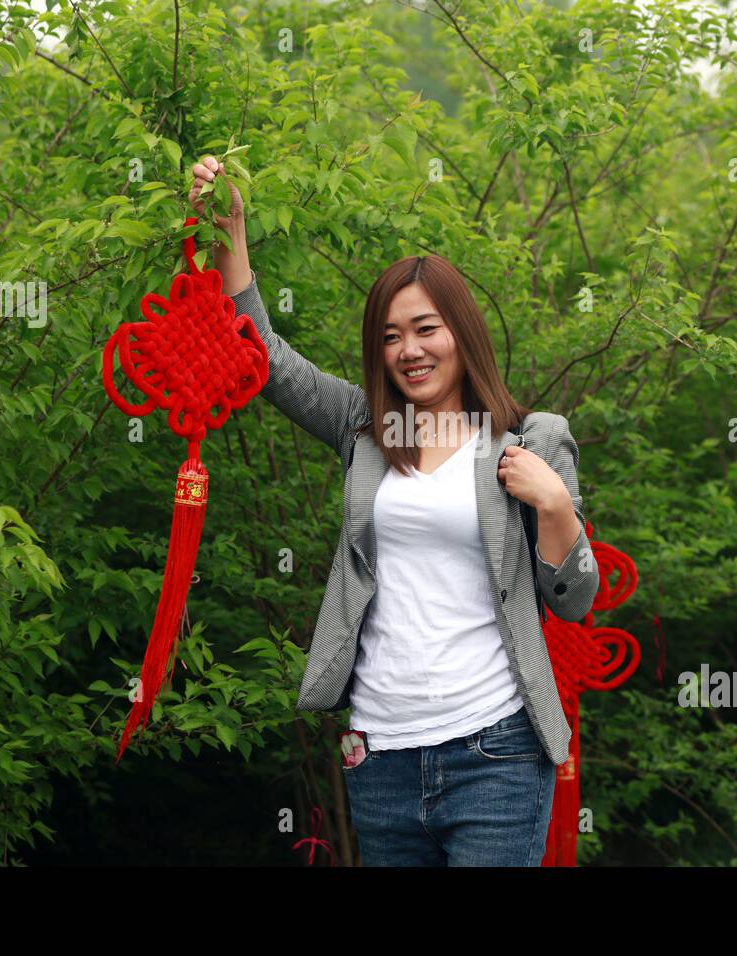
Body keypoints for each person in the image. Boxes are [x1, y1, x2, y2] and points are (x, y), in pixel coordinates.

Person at [189, 154, 600, 866]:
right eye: (389, 336)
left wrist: (559, 508)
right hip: (375, 754)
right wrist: (230, 233)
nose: (408, 350)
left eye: (425, 329)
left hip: (495, 750)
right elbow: (266, 361)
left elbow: (574, 601)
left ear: (461, 333)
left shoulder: (531, 439)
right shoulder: (363, 428)